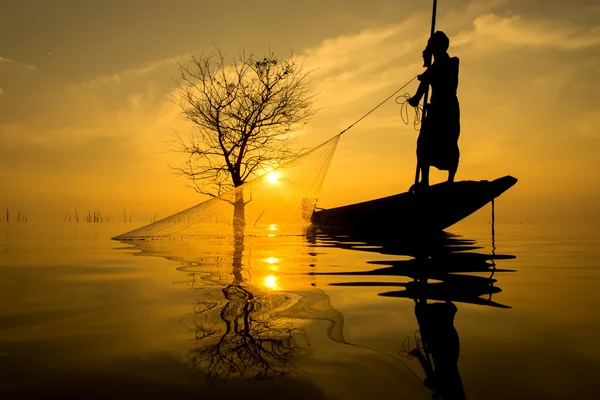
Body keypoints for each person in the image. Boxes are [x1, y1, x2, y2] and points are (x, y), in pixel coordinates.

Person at [408, 31, 460, 190]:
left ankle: (450, 181)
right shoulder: (432, 70)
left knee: (449, 142)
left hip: (446, 110)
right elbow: (422, 89)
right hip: (436, 110)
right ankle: (425, 182)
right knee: (424, 144)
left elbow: (438, 71)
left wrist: (426, 76)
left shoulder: (452, 63)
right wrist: (416, 98)